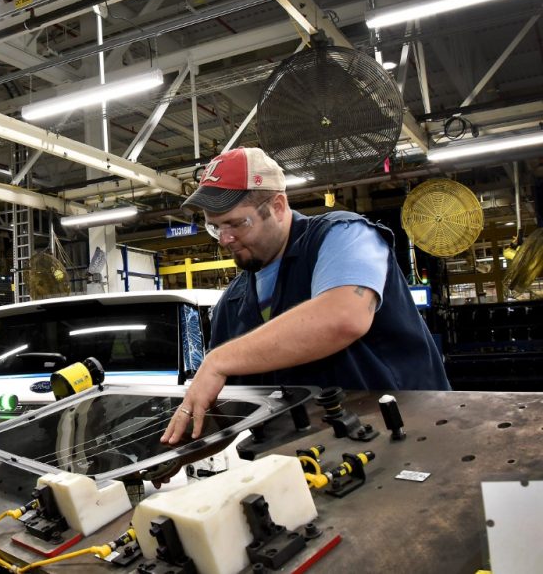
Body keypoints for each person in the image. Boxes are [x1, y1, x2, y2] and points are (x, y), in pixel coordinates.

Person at [162, 148, 450, 445]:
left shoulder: (344, 236)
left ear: (277, 206)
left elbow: (343, 318)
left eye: (236, 223)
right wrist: (171, 450)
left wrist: (218, 359)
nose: (224, 239)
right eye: (215, 227)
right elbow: (231, 410)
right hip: (311, 464)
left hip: (411, 439)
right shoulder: (232, 305)